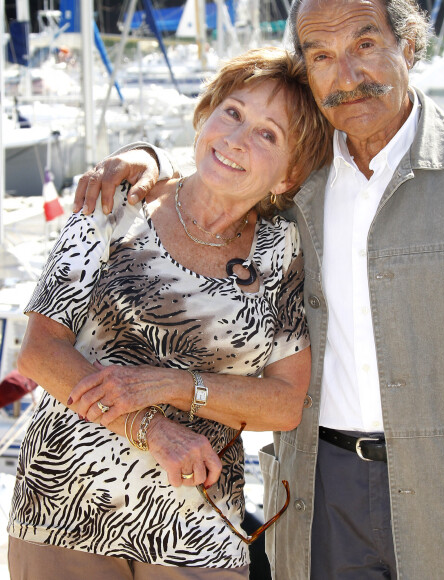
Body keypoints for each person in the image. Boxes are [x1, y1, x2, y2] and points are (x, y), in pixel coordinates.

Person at [73, 0, 444, 578]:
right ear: (306, 71)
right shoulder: (293, 180)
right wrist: (148, 155)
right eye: (321, 56)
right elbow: (220, 158)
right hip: (317, 486)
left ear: (408, 46)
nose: (347, 75)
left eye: (365, 45)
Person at [8, 47, 332, 580]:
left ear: (287, 175)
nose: (235, 139)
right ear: (206, 115)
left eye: (267, 134)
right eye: (233, 113)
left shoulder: (282, 250)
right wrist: (151, 428)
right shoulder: (116, 203)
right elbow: (41, 352)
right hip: (65, 490)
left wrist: (171, 385)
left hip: (194, 515)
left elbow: (283, 404)